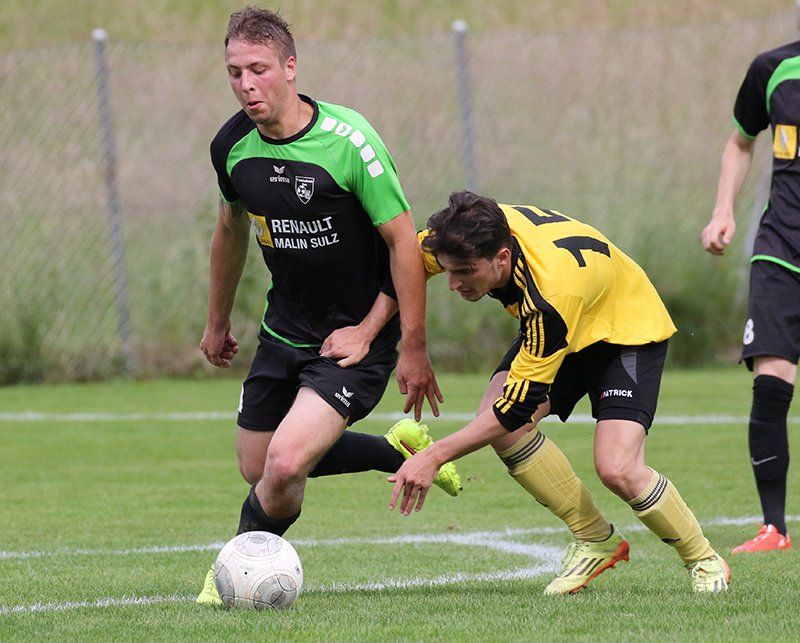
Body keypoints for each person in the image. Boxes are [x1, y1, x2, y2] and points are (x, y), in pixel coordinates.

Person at [196, 7, 461, 605]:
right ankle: (394, 449)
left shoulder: (350, 142)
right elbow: (230, 231)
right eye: (235, 72)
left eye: (259, 70)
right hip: (284, 329)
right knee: (258, 466)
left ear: (290, 68)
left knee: (286, 465)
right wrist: (216, 321)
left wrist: (400, 342)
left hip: (357, 336)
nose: (246, 85)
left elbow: (404, 244)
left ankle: (232, 570)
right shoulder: (231, 146)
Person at [385, 191, 729, 593]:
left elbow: (513, 410)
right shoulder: (463, 234)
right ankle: (595, 538)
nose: (453, 283)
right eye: (448, 270)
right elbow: (405, 259)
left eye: (465, 272)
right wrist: (396, 343)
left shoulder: (548, 297)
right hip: (569, 319)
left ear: (502, 257)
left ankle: (704, 558)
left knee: (617, 468)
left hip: (624, 331)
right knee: (502, 428)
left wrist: (433, 456)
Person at [701, 39, 800, 554]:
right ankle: (773, 529)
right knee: (771, 381)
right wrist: (723, 211)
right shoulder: (773, 69)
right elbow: (740, 143)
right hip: (782, 248)